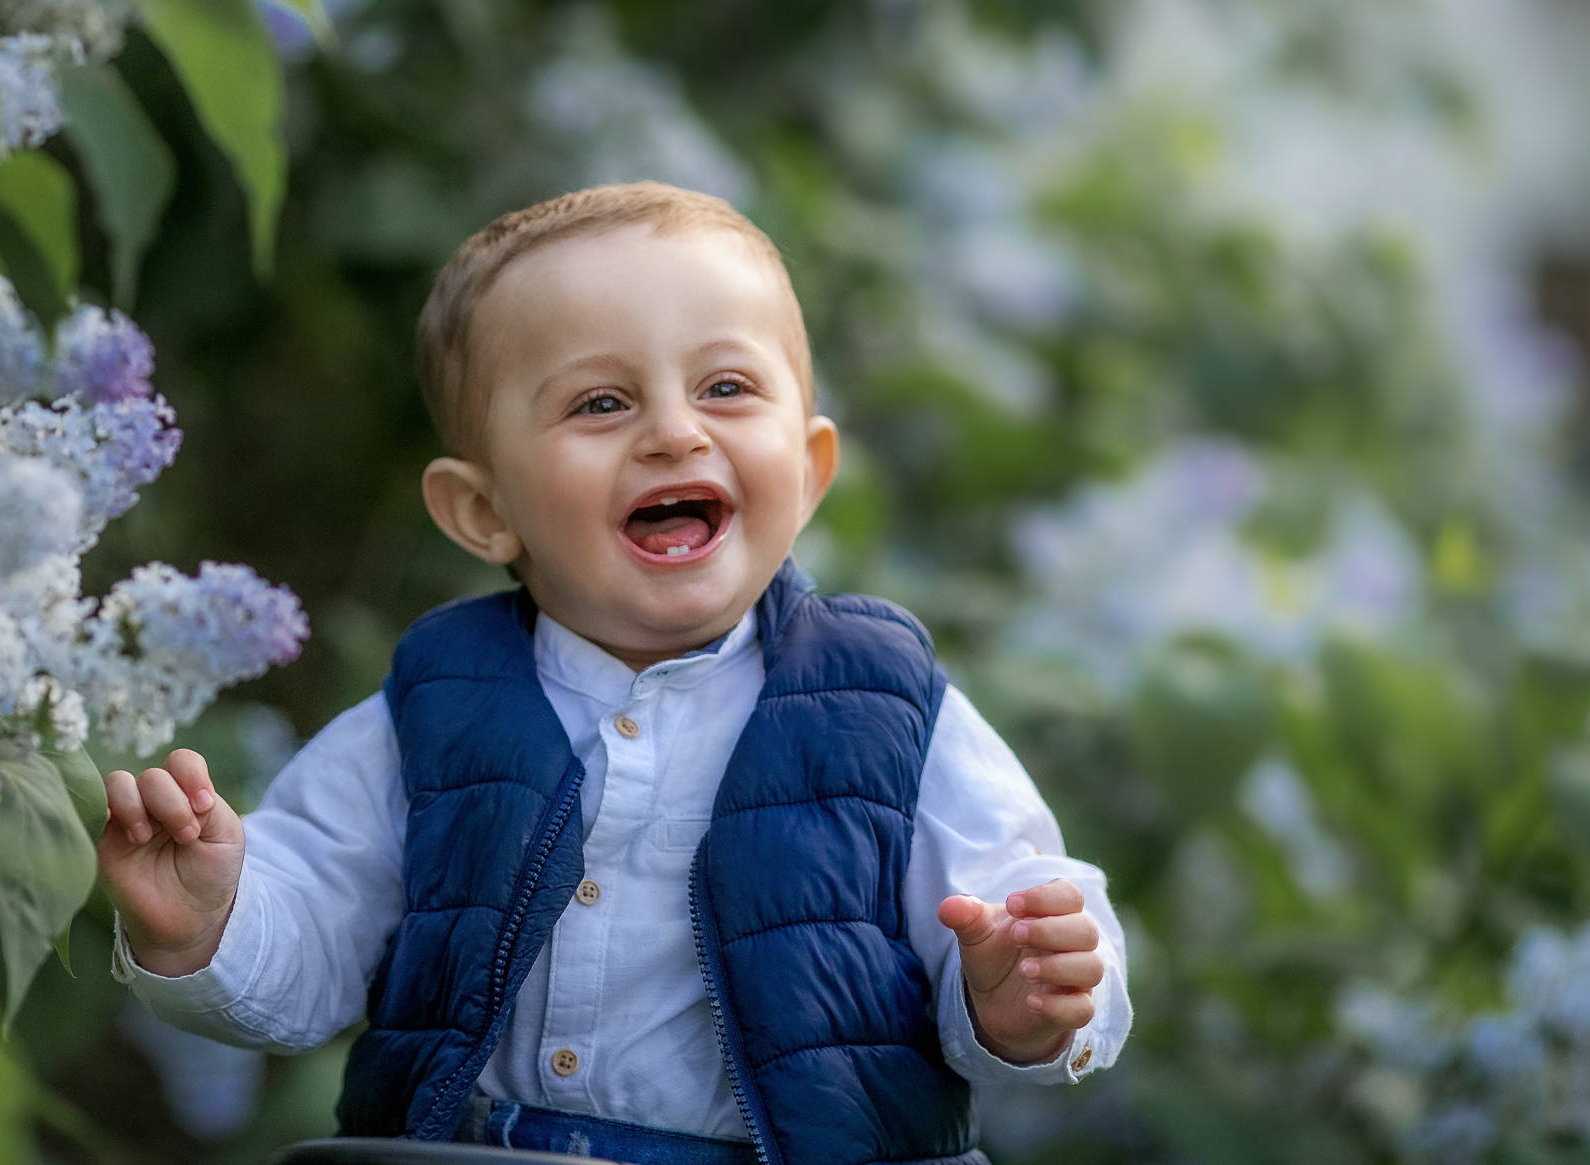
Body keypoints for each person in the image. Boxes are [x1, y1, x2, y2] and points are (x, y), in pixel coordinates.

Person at [99, 183, 1131, 1165]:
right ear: (484, 511)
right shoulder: (436, 708)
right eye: (600, 402)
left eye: (726, 387)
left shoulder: (883, 703)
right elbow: (315, 924)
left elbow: (1016, 895)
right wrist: (213, 924)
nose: (676, 431)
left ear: (811, 468)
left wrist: (1022, 990)